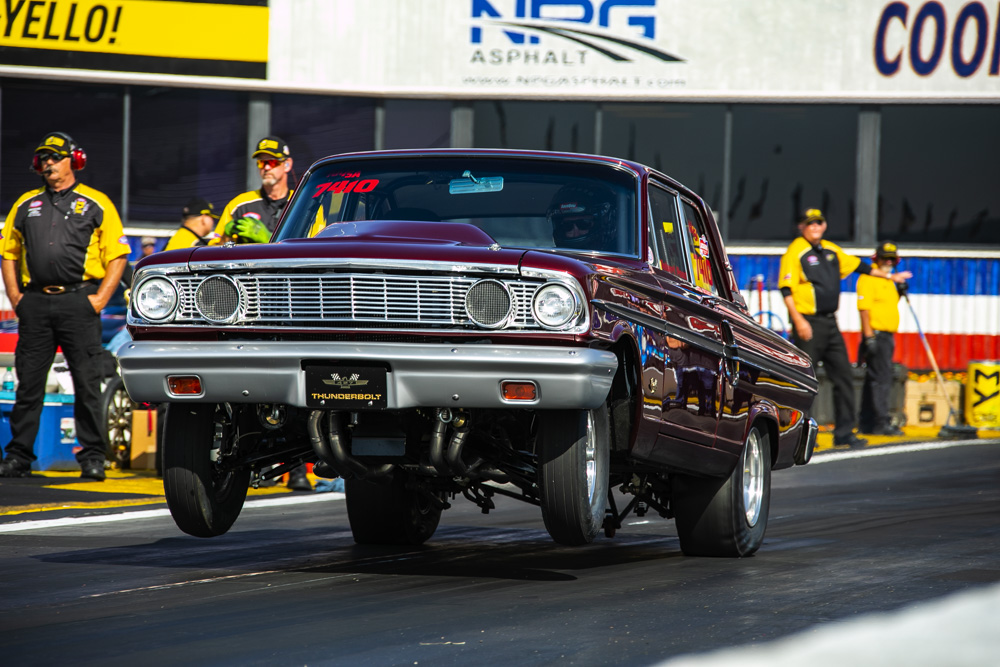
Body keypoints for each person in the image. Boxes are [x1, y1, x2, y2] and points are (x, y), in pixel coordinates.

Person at [0, 132, 130, 480]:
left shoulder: (96, 202)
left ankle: (92, 457)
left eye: (56, 157)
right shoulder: (25, 204)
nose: (49, 164)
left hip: (79, 301)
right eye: (44, 158)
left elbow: (118, 256)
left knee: (87, 383)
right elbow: (8, 252)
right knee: (28, 383)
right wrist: (16, 297)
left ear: (75, 160)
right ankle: (18, 456)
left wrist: (100, 299)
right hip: (36, 302)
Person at [779, 209, 911, 449]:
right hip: (809, 323)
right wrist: (799, 321)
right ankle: (802, 435)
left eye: (819, 222)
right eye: (810, 224)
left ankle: (844, 432)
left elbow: (862, 267)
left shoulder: (831, 250)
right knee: (806, 380)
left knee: (843, 376)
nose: (815, 227)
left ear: (824, 225)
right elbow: (786, 289)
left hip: (830, 322)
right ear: (802, 227)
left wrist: (891, 278)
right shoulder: (795, 251)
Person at [857, 241, 907, 436]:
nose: (888, 261)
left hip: (887, 335)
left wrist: (901, 292)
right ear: (876, 259)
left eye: (891, 259)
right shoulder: (868, 278)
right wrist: (869, 336)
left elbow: (888, 306)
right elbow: (864, 309)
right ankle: (881, 422)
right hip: (876, 334)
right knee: (881, 379)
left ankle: (867, 422)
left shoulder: (889, 280)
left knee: (875, 378)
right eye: (884, 258)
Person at [212, 136, 294, 245]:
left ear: (287, 164)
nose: (267, 168)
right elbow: (213, 251)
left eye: (272, 162)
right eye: (261, 162)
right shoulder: (239, 205)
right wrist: (226, 236)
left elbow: (314, 246)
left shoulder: (302, 203)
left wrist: (268, 239)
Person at [547, 184, 616, 252]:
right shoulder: (554, 260)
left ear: (604, 222)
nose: (575, 233)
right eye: (567, 226)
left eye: (583, 224)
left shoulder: (623, 257)